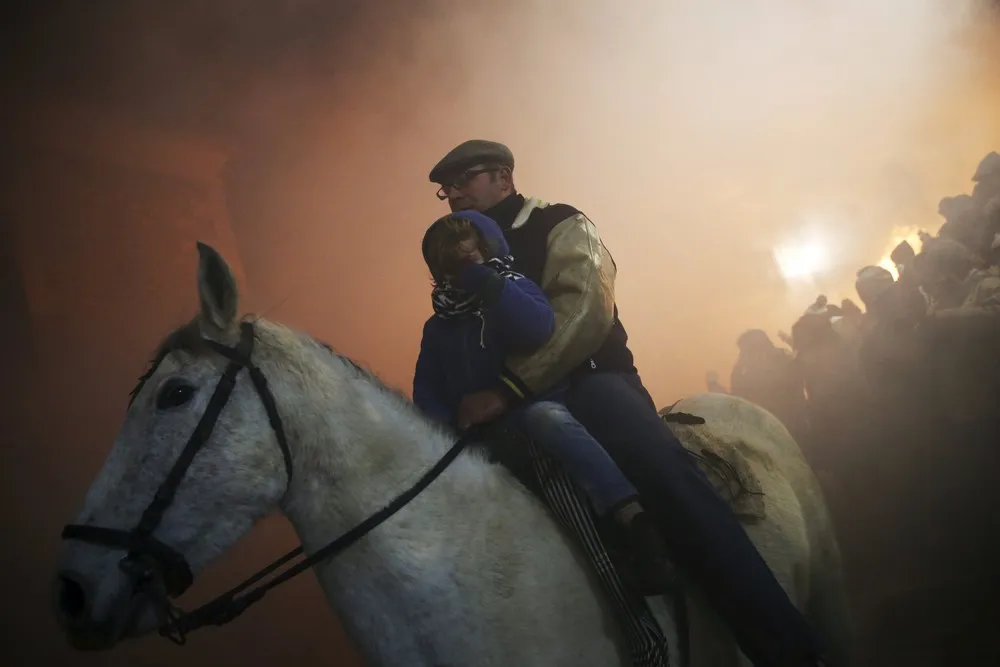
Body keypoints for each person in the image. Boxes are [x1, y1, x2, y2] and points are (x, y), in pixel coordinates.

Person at [426, 139, 828, 667]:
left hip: (591, 380)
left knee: (668, 478)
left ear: (503, 177)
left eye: (464, 180)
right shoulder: (461, 255)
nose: (452, 194)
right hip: (517, 400)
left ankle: (789, 650)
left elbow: (583, 313)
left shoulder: (560, 223)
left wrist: (505, 390)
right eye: (445, 189)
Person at [412, 209, 674, 593]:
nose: (463, 270)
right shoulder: (438, 326)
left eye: (470, 258)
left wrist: (490, 286)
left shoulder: (516, 287)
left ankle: (630, 516)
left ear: (489, 252)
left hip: (527, 411)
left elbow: (538, 329)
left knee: (551, 421)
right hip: (475, 431)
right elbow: (427, 386)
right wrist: (442, 424)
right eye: (451, 265)